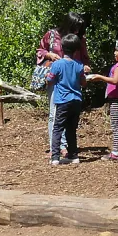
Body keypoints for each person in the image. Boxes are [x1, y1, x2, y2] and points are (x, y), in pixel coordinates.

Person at [35, 12, 90, 151]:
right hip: (54, 78)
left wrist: (85, 67)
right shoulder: (52, 35)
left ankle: (66, 145)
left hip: (72, 80)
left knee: (69, 112)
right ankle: (57, 146)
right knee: (55, 112)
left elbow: (84, 58)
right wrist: (49, 54)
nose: (77, 31)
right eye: (75, 27)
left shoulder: (80, 38)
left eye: (79, 28)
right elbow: (40, 50)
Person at [87, 40, 118, 160]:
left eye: (116, 51)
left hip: (117, 99)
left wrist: (99, 77)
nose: (114, 53)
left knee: (116, 126)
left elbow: (115, 80)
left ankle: (115, 153)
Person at [45, 33, 86, 165]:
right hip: (76, 100)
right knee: (71, 129)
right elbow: (83, 82)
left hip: (62, 100)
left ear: (62, 48)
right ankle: (74, 155)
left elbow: (49, 80)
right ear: (76, 50)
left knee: (57, 128)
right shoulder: (79, 65)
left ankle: (55, 157)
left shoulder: (57, 65)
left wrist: (47, 75)